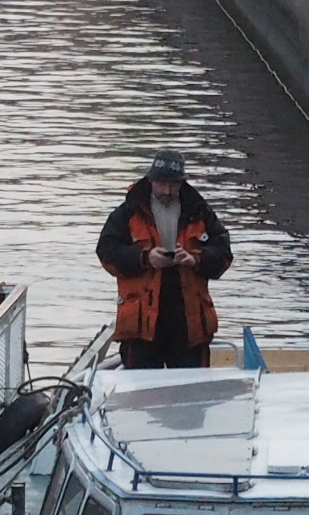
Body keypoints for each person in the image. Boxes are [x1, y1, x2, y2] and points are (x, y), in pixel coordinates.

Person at [97, 152, 233, 371]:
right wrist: (145, 258)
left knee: (193, 391)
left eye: (173, 185)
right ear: (151, 180)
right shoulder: (128, 211)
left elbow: (224, 255)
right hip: (141, 327)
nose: (167, 191)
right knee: (139, 393)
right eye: (161, 184)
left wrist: (195, 260)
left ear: (181, 183)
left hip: (189, 325)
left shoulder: (200, 211)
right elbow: (106, 253)